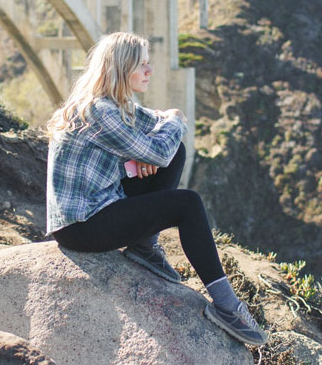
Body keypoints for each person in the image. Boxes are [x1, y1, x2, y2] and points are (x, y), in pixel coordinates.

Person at [45, 32, 267, 346]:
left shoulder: (114, 104)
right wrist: (173, 120)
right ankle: (228, 307)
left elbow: (160, 135)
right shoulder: (100, 112)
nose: (150, 71)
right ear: (122, 69)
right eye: (143, 65)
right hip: (82, 226)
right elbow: (161, 146)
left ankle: (143, 247)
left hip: (101, 204)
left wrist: (159, 137)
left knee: (175, 150)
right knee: (187, 203)